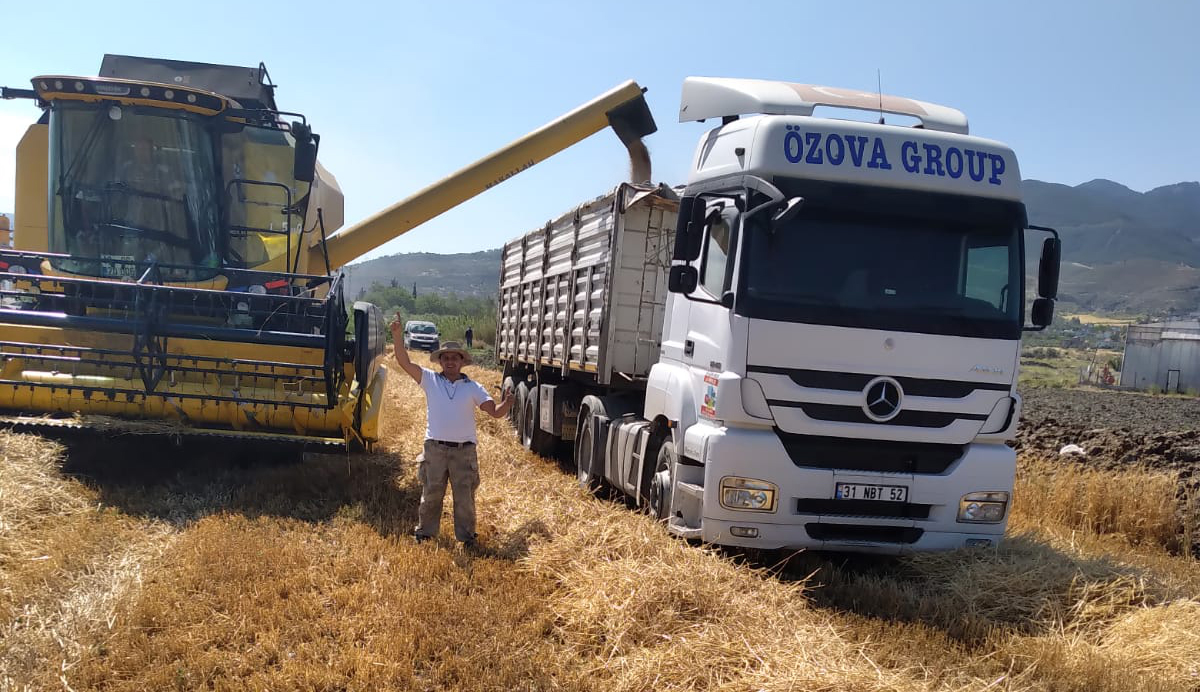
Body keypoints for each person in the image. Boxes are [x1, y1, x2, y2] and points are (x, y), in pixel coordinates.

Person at [390, 316, 512, 547]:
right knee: (431, 494)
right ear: (440, 362)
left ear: (462, 362)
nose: (450, 362)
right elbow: (404, 362)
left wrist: (507, 404)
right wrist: (397, 335)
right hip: (435, 448)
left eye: (454, 358)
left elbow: (494, 412)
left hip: (463, 452)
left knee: (464, 499)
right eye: (445, 358)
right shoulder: (430, 380)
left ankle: (466, 538)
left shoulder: (473, 387)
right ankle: (425, 534)